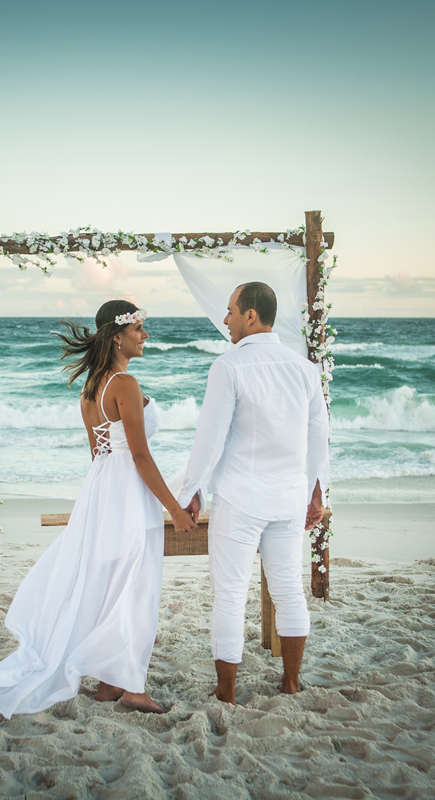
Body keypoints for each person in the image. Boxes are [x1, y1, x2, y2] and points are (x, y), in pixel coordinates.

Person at [0, 299, 195, 719]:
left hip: (103, 491)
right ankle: (132, 690)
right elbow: (139, 457)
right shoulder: (124, 385)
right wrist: (173, 507)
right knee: (137, 590)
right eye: (139, 328)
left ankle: (109, 684)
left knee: (110, 587)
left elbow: (100, 453)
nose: (145, 335)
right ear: (117, 335)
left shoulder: (92, 386)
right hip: (129, 493)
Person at [178, 282, 329, 704]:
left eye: (229, 311)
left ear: (250, 315)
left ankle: (225, 693)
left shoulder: (228, 367)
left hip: (240, 499)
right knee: (288, 589)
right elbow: (319, 438)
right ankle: (291, 682)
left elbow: (210, 438)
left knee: (229, 594)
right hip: (287, 500)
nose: (224, 319)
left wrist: (191, 491)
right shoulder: (304, 369)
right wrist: (317, 495)